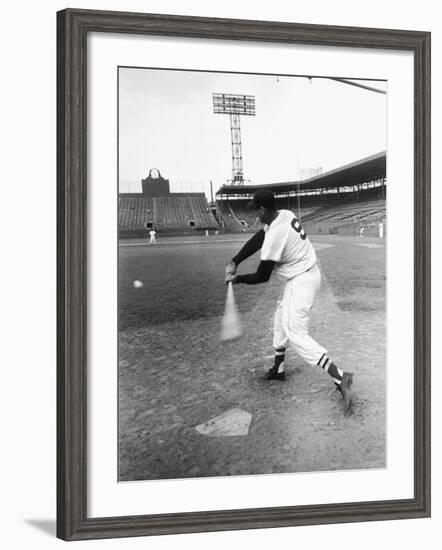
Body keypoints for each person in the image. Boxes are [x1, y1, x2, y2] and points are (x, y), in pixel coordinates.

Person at [224, 189, 353, 413]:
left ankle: (340, 376)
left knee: (296, 333)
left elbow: (262, 276)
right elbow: (260, 237)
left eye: (257, 212)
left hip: (301, 281)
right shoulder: (284, 214)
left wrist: (237, 280)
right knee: (279, 319)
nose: (256, 216)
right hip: (303, 276)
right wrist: (235, 260)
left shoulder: (277, 233)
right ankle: (279, 368)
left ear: (264, 210)